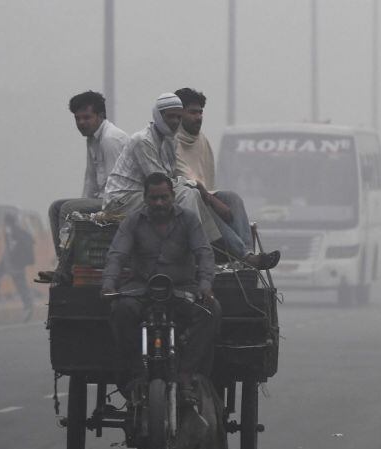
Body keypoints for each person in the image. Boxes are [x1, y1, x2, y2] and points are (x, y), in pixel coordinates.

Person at [102, 172, 221, 403]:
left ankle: (186, 373)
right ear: (145, 198)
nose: (159, 203)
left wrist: (206, 286)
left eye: (164, 198)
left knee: (211, 310)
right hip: (141, 290)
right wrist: (108, 284)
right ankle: (137, 374)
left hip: (181, 289)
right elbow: (116, 255)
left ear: (172, 197)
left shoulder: (189, 220)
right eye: (154, 198)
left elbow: (205, 254)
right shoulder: (133, 221)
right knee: (121, 310)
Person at [174, 87, 279, 269]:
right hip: (183, 199)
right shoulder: (171, 140)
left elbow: (206, 181)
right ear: (179, 114)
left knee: (232, 198)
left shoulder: (201, 140)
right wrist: (212, 201)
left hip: (203, 195)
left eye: (200, 112)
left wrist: (212, 198)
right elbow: (186, 179)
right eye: (192, 112)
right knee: (203, 203)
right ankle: (246, 257)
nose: (198, 117)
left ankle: (246, 255)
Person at [102, 93, 223, 245]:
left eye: (178, 117)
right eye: (170, 117)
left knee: (192, 193)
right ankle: (196, 245)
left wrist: (195, 186)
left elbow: (170, 176)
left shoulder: (169, 140)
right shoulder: (143, 140)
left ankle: (207, 244)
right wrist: (194, 183)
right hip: (122, 199)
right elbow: (159, 182)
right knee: (187, 193)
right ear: (158, 116)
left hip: (143, 194)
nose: (175, 122)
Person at [48, 90, 129, 254]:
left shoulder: (110, 139)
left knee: (67, 209)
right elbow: (90, 180)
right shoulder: (92, 139)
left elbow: (115, 189)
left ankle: (66, 265)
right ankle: (63, 259)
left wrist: (82, 211)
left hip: (120, 203)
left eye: (86, 117)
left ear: (100, 116)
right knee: (56, 208)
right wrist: (83, 207)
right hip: (103, 200)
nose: (81, 123)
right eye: (77, 118)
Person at [0, 212, 36, 322]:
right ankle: (28, 305)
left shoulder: (10, 231)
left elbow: (11, 246)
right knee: (21, 286)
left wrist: (9, 258)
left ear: (7, 222)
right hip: (18, 263)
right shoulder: (20, 231)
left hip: (11, 262)